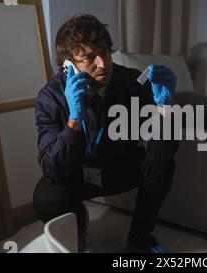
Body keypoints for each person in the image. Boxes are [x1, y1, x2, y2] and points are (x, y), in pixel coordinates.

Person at [32, 14, 179, 253]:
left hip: (116, 167)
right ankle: (78, 225)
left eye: (106, 52)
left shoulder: (131, 82)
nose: (103, 63)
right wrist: (74, 119)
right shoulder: (50, 97)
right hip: (76, 173)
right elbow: (53, 169)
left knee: (163, 164)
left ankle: (141, 236)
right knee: (46, 199)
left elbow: (163, 152)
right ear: (68, 66)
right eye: (90, 57)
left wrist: (165, 108)